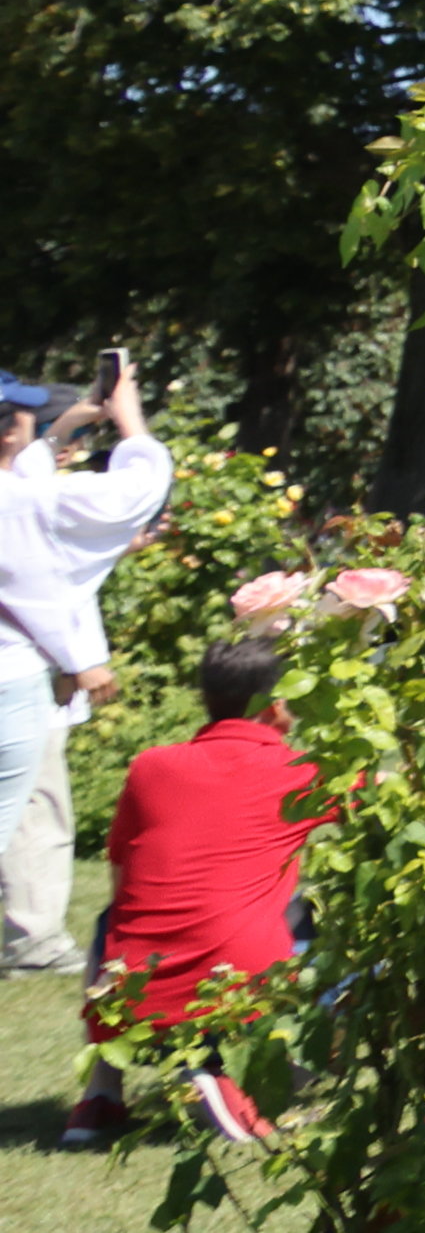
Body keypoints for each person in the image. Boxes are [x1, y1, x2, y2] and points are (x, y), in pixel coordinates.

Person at [59, 632, 331, 1147]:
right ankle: (243, 1078)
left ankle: (101, 1095)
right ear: (277, 706)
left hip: (130, 990)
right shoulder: (298, 772)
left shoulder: (151, 766)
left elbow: (122, 881)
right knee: (311, 916)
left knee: (109, 920)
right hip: (235, 981)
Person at [0, 356, 169, 975]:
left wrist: (57, 432)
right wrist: (131, 423)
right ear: (6, 432)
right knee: (36, 805)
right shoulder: (23, 503)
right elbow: (136, 491)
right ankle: (34, 939)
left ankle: (33, 934)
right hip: (13, 678)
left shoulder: (21, 491)